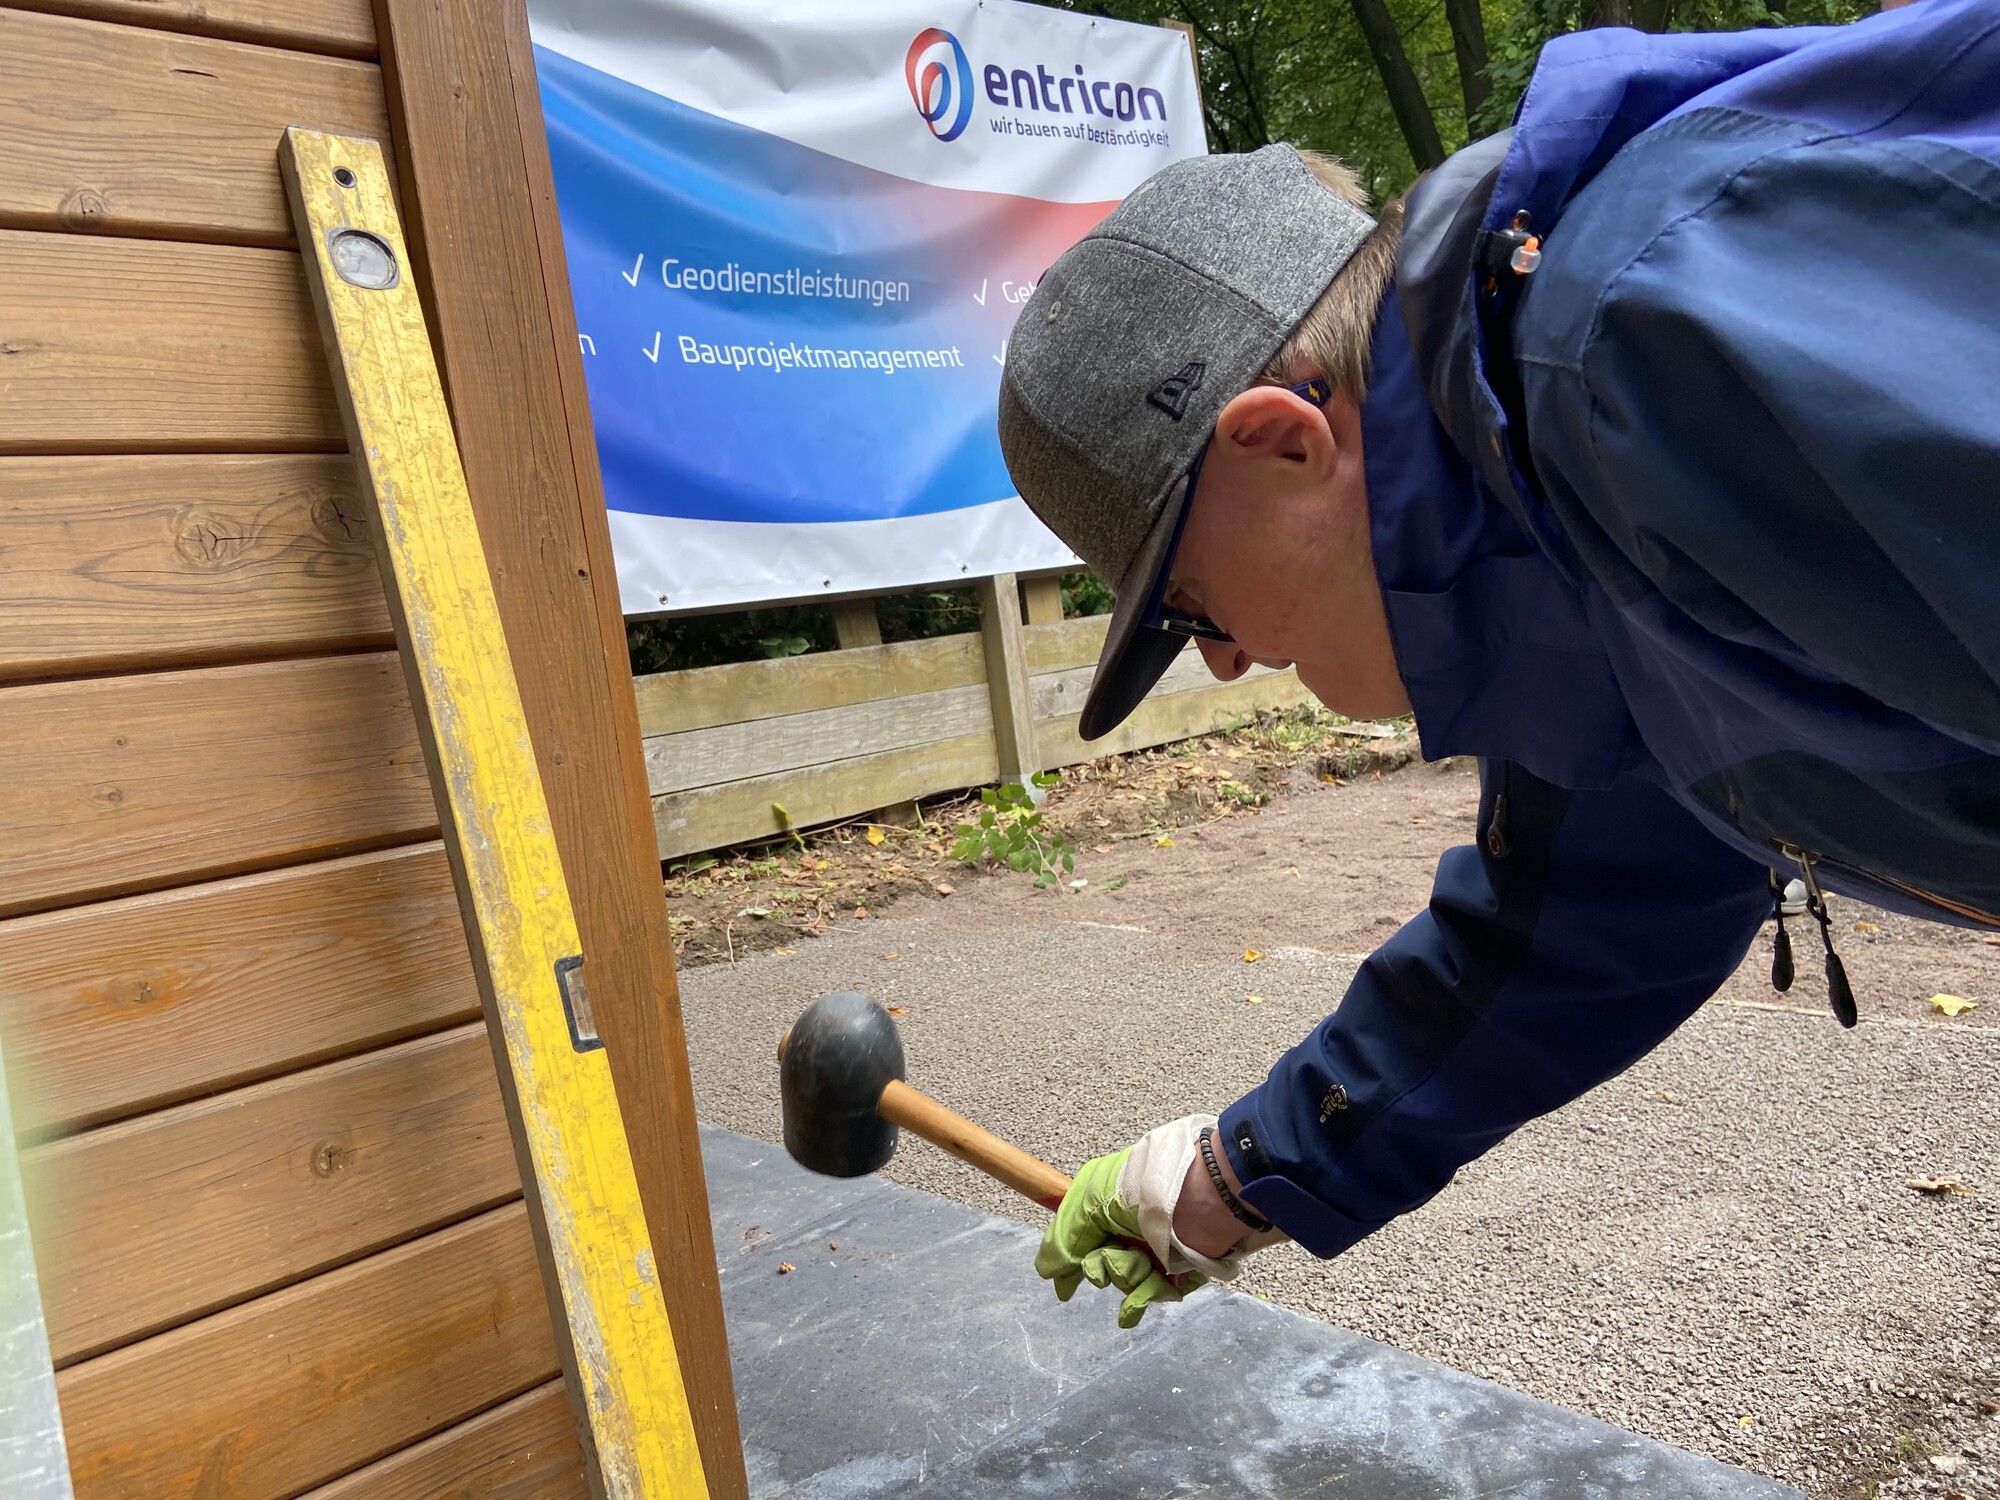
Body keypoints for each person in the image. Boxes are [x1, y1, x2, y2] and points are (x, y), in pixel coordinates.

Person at [1005, 0, 2000, 1328]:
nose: (1233, 664)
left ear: (1282, 444)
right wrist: (1229, 1180)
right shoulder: (1551, 503)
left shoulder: (1641, 339)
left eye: (1190, 610)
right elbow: (1589, 916)